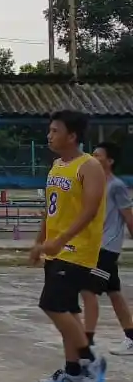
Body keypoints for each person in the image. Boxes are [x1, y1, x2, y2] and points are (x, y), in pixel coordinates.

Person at [29, 110, 109, 382]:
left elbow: (90, 210)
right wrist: (40, 242)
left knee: (52, 304)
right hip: (56, 249)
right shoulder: (57, 165)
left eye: (55, 131)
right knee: (68, 311)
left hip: (77, 249)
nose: (49, 136)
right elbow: (51, 210)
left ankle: (90, 360)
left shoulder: (89, 166)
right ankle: (73, 372)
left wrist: (61, 240)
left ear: (72, 136)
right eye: (49, 130)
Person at [81, 140, 133, 356]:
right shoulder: (93, 185)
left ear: (109, 161)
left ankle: (87, 342)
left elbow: (129, 217)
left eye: (98, 155)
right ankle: (131, 337)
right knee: (114, 293)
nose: (93, 157)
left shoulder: (116, 186)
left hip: (107, 247)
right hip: (95, 245)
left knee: (88, 289)